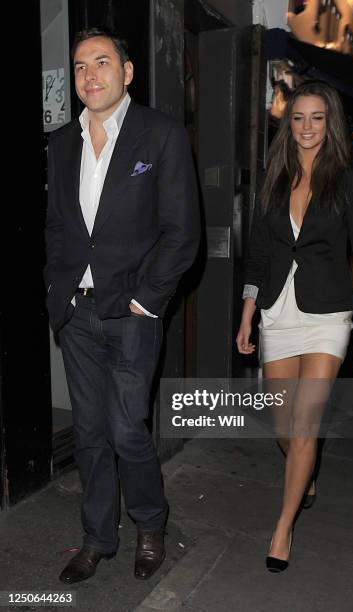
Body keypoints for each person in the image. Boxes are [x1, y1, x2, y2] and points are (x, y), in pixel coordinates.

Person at [44, 27, 199, 584]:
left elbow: (183, 231)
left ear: (127, 72)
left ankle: (150, 524)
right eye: (81, 66)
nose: (90, 75)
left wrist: (146, 299)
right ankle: (96, 538)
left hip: (131, 312)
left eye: (102, 62)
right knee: (87, 431)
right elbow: (59, 228)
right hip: (77, 314)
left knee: (126, 429)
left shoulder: (159, 135)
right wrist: (55, 291)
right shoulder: (62, 144)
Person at [236, 80, 353, 572]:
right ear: (289, 124)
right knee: (285, 427)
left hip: (329, 314)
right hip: (278, 313)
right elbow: (259, 254)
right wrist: (247, 316)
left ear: (331, 123)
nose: (307, 127)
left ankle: (281, 530)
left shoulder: (347, 180)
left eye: (317, 118)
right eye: (299, 118)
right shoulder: (275, 176)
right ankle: (305, 472)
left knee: (305, 425)